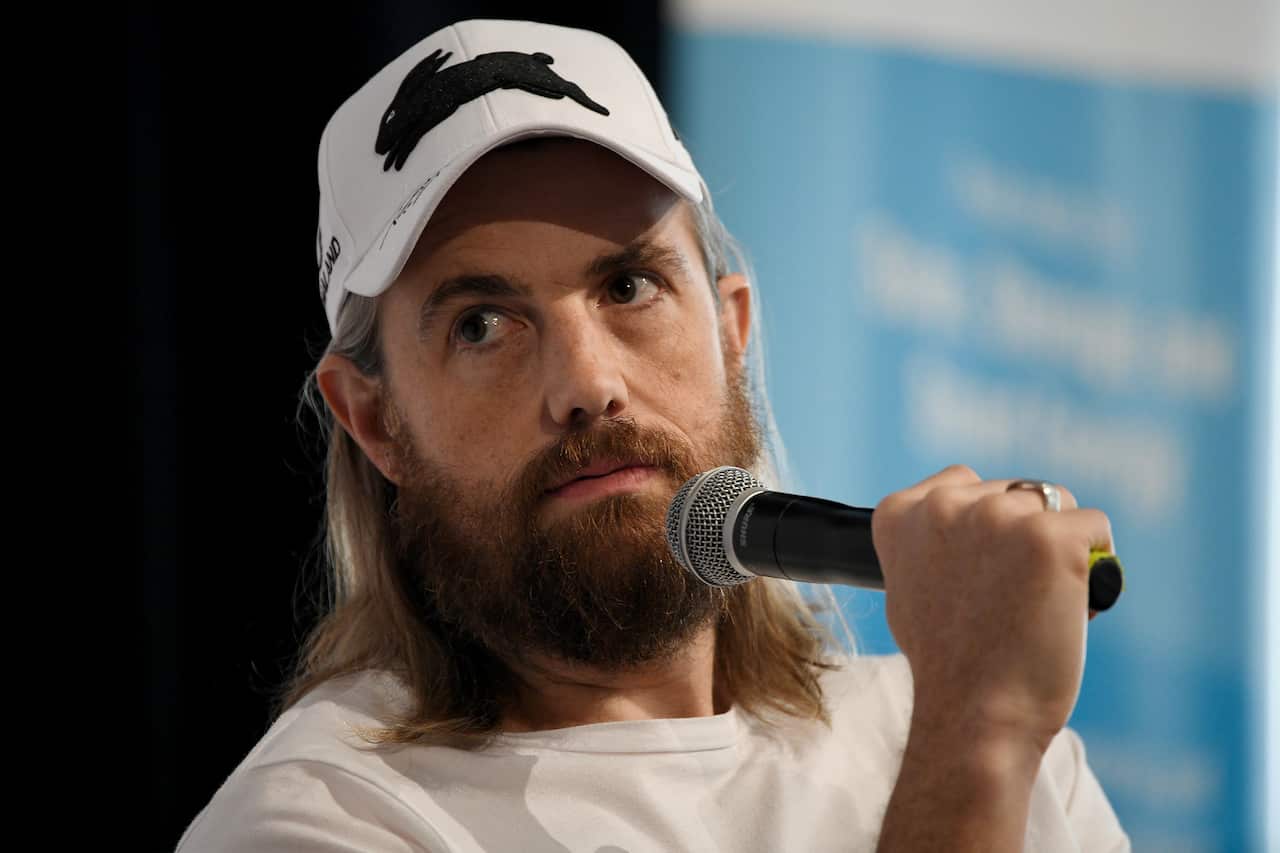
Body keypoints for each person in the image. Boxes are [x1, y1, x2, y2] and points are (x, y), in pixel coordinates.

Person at [177, 18, 1129, 852]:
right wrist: (979, 740)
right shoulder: (322, 817)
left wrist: (982, 730)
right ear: (375, 421)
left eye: (628, 286)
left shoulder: (962, 738)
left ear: (732, 335)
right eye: (482, 324)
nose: (588, 384)